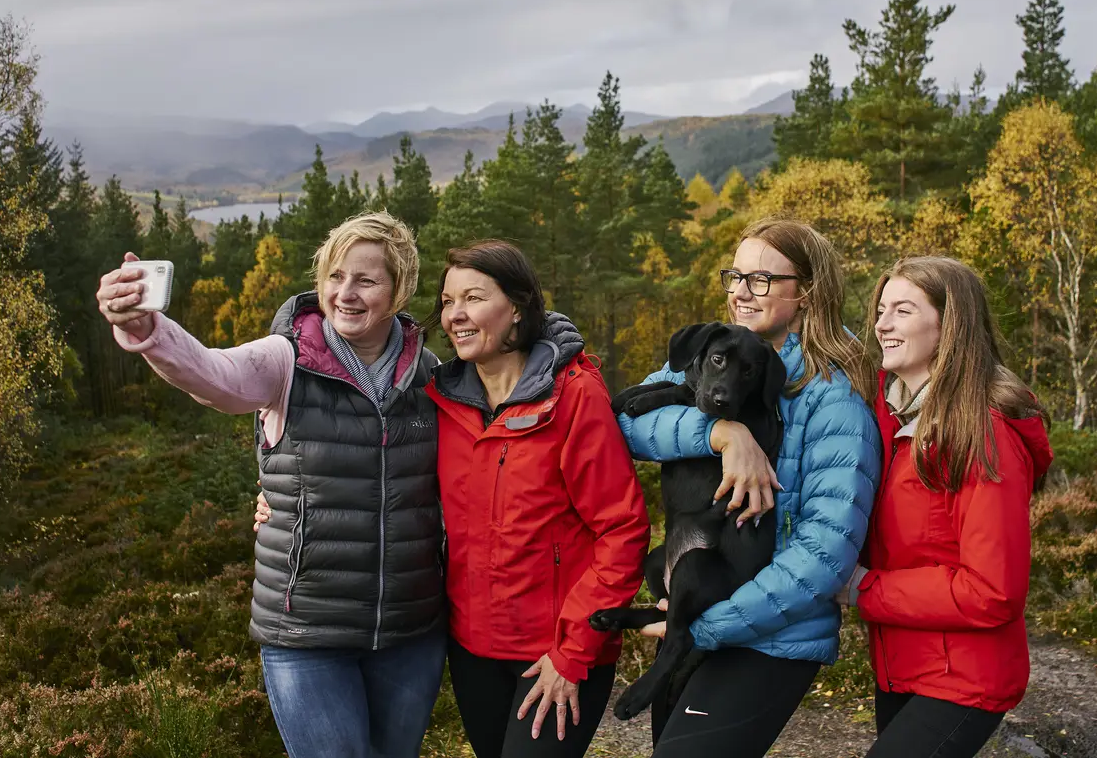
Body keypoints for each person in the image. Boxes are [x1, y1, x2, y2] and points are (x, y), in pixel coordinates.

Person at [95, 212, 446, 758]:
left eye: (366, 280)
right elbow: (214, 375)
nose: (345, 293)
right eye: (334, 276)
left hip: (409, 632)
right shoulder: (286, 359)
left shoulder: (430, 375)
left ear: (399, 290)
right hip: (306, 631)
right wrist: (148, 331)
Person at [617, 216, 882, 758]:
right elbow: (626, 423)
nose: (741, 291)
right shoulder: (715, 355)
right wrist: (719, 432)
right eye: (734, 276)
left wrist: (704, 626)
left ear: (805, 293)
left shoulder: (833, 399)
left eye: (760, 279)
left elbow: (824, 555)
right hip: (701, 604)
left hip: (772, 636)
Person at [428, 240, 650, 758]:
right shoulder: (439, 401)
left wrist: (573, 653)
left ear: (518, 309)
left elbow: (622, 530)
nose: (455, 315)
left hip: (557, 654)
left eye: (473, 298)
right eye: (446, 301)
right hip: (472, 652)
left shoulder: (573, 396)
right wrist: (279, 501)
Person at [841, 256, 1053, 758]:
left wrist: (862, 587)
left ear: (949, 325)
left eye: (903, 310)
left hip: (964, 677)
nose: (882, 324)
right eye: (881, 309)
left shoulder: (984, 433)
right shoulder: (889, 417)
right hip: (903, 663)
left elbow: (993, 590)